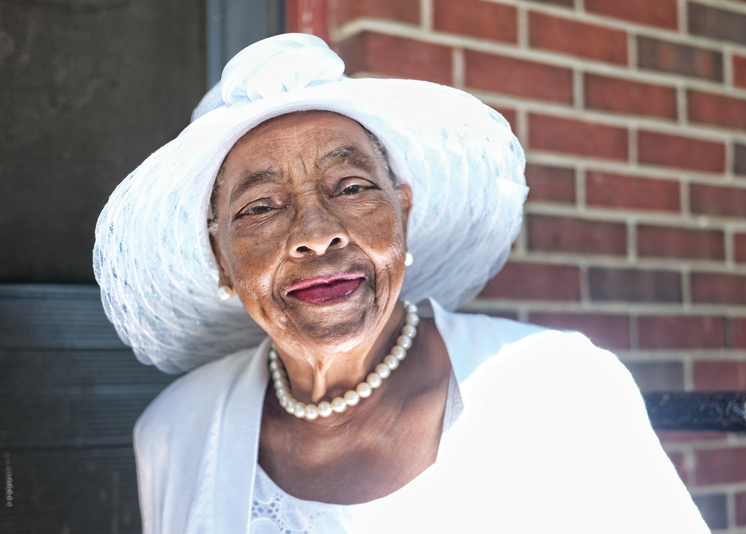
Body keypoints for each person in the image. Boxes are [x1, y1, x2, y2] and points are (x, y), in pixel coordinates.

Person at [94, 34, 710, 533]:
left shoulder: (555, 386)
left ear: (404, 214)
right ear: (222, 260)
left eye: (353, 188)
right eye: (260, 206)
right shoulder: (174, 432)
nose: (315, 233)